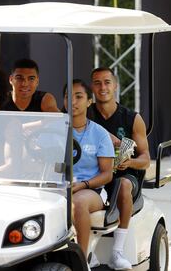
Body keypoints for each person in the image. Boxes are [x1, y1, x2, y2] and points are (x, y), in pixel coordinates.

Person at [88, 67, 151, 270]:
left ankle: (117, 252)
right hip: (94, 174)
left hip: (123, 176)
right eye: (97, 83)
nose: (102, 87)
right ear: (92, 87)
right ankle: (87, 251)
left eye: (107, 82)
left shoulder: (132, 118)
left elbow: (146, 159)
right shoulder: (85, 114)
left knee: (123, 185)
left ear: (115, 86)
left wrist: (129, 163)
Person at [63, 79, 114, 271]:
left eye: (79, 96)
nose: (73, 102)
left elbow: (107, 174)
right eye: (68, 97)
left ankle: (81, 262)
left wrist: (83, 184)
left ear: (89, 101)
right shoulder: (56, 129)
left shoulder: (99, 133)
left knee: (78, 203)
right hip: (61, 186)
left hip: (92, 189)